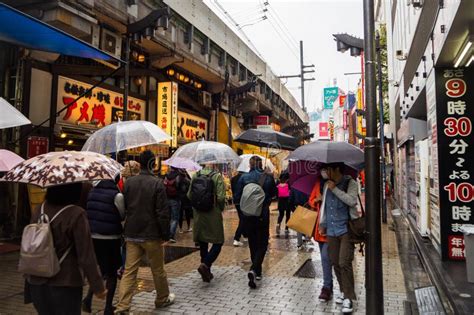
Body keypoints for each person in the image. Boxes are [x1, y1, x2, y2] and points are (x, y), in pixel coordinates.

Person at [25, 183, 106, 315]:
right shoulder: (76, 214)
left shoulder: (39, 209)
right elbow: (86, 255)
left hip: (36, 281)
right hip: (65, 283)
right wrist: (98, 286)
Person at [115, 150, 175, 314]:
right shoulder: (157, 183)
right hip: (152, 234)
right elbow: (162, 212)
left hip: (132, 232)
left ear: (140, 164)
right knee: (158, 269)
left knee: (129, 271)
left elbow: (125, 207)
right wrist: (165, 235)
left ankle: (122, 307)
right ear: (152, 164)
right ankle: (162, 299)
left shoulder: (129, 183)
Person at [319, 163, 359, 314]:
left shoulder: (350, 183)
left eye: (328, 169)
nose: (325, 172)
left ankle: (349, 298)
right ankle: (343, 291)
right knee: (335, 262)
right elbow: (325, 206)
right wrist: (323, 224)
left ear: (336, 170)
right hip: (331, 231)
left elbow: (352, 201)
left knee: (344, 262)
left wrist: (334, 189)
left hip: (346, 230)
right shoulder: (326, 185)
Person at [82, 178, 124, 315]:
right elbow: (122, 214)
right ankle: (107, 307)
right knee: (111, 273)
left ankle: (87, 300)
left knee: (100, 268)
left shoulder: (93, 191)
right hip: (110, 238)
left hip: (94, 237)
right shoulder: (117, 195)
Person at [235, 156, 277, 289]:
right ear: (261, 164)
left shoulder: (243, 178)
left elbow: (237, 197)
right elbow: (274, 194)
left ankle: (257, 271)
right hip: (262, 215)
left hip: (247, 216)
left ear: (250, 164)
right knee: (263, 243)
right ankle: (254, 269)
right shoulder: (268, 177)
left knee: (253, 243)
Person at [187, 161, 226, 283]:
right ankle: (206, 265)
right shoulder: (217, 176)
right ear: (213, 163)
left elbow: (189, 195)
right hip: (213, 213)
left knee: (203, 241)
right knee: (218, 242)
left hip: (199, 213)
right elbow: (220, 197)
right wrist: (219, 208)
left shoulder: (195, 175)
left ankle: (205, 271)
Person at [308, 172, 335, 302]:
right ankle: (329, 285)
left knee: (325, 258)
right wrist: (316, 200)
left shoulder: (336, 185)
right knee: (326, 259)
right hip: (319, 229)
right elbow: (311, 200)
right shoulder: (318, 184)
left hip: (332, 227)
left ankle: (326, 287)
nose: (324, 172)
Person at [164, 166, 184, 242]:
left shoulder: (166, 175)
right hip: (176, 198)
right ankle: (171, 235)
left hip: (167, 198)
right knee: (175, 218)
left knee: (168, 217)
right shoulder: (179, 175)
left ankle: (166, 233)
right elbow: (180, 187)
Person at [231, 170, 245, 247]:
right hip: (243, 201)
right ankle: (236, 238)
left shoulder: (233, 179)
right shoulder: (244, 178)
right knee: (243, 219)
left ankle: (245, 234)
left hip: (236, 201)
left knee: (242, 218)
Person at [178, 169, 193, 233]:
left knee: (180, 214)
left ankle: (180, 229)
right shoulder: (188, 180)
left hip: (179, 198)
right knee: (187, 213)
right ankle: (188, 227)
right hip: (187, 198)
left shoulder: (177, 179)